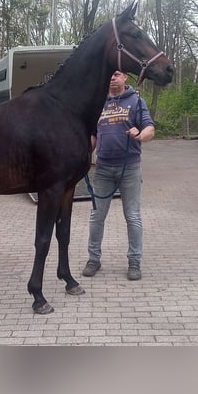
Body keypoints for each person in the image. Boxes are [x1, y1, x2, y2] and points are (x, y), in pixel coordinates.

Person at [82, 70, 155, 281]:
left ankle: (134, 262)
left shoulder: (136, 101)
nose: (112, 78)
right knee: (97, 216)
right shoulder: (98, 103)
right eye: (110, 75)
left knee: (132, 216)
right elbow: (93, 136)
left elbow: (150, 128)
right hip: (103, 169)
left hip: (129, 168)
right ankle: (93, 259)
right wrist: (83, 152)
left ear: (124, 78)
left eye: (116, 74)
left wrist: (140, 134)